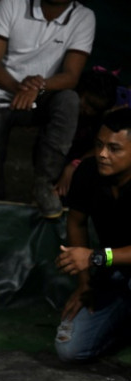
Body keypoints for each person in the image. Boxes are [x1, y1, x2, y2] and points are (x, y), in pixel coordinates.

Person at [0, 0, 95, 218]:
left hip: (42, 96)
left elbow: (71, 76)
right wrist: (18, 88)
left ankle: (44, 184)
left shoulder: (83, 17)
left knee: (69, 100)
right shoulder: (11, 4)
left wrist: (39, 88)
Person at [54, 107, 131, 362]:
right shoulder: (88, 172)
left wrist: (95, 257)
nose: (102, 154)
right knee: (69, 349)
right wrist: (85, 284)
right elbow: (76, 223)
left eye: (114, 148)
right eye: (99, 145)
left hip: (110, 262)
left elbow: (97, 256)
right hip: (114, 273)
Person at [55, 67, 120, 198]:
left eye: (96, 109)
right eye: (88, 103)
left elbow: (99, 148)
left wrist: (74, 165)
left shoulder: (102, 120)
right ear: (80, 91)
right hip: (56, 155)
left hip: (82, 159)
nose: (89, 111)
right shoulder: (63, 103)